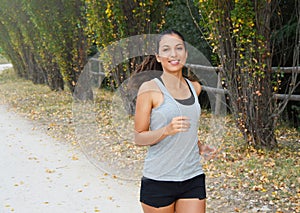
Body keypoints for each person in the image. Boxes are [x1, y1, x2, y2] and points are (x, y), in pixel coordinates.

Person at [134, 29, 216, 213]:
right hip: (159, 179)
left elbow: (187, 128)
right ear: (158, 56)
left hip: (192, 176)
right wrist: (166, 130)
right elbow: (139, 137)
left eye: (179, 48)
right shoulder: (149, 89)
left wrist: (200, 146)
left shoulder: (195, 88)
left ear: (186, 53)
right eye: (166, 49)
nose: (173, 54)